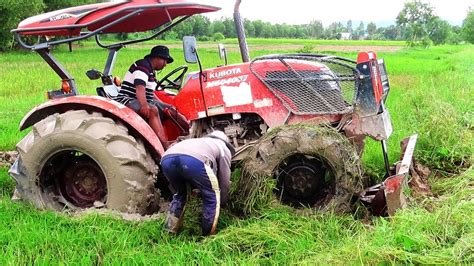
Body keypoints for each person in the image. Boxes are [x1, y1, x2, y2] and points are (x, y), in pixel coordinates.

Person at [160, 131, 235, 236]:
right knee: (212, 196)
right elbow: (224, 179)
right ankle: (207, 236)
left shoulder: (200, 141)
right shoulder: (223, 147)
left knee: (180, 194)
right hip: (193, 160)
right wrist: (223, 201)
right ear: (226, 142)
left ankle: (169, 230)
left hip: (167, 159)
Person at [114, 45, 174, 148]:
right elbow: (140, 87)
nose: (165, 65)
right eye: (165, 60)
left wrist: (165, 106)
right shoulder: (143, 66)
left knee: (171, 109)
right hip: (127, 100)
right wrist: (144, 105)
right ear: (157, 57)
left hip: (138, 99)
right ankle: (164, 145)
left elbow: (150, 93)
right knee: (152, 110)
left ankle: (189, 134)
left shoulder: (151, 70)